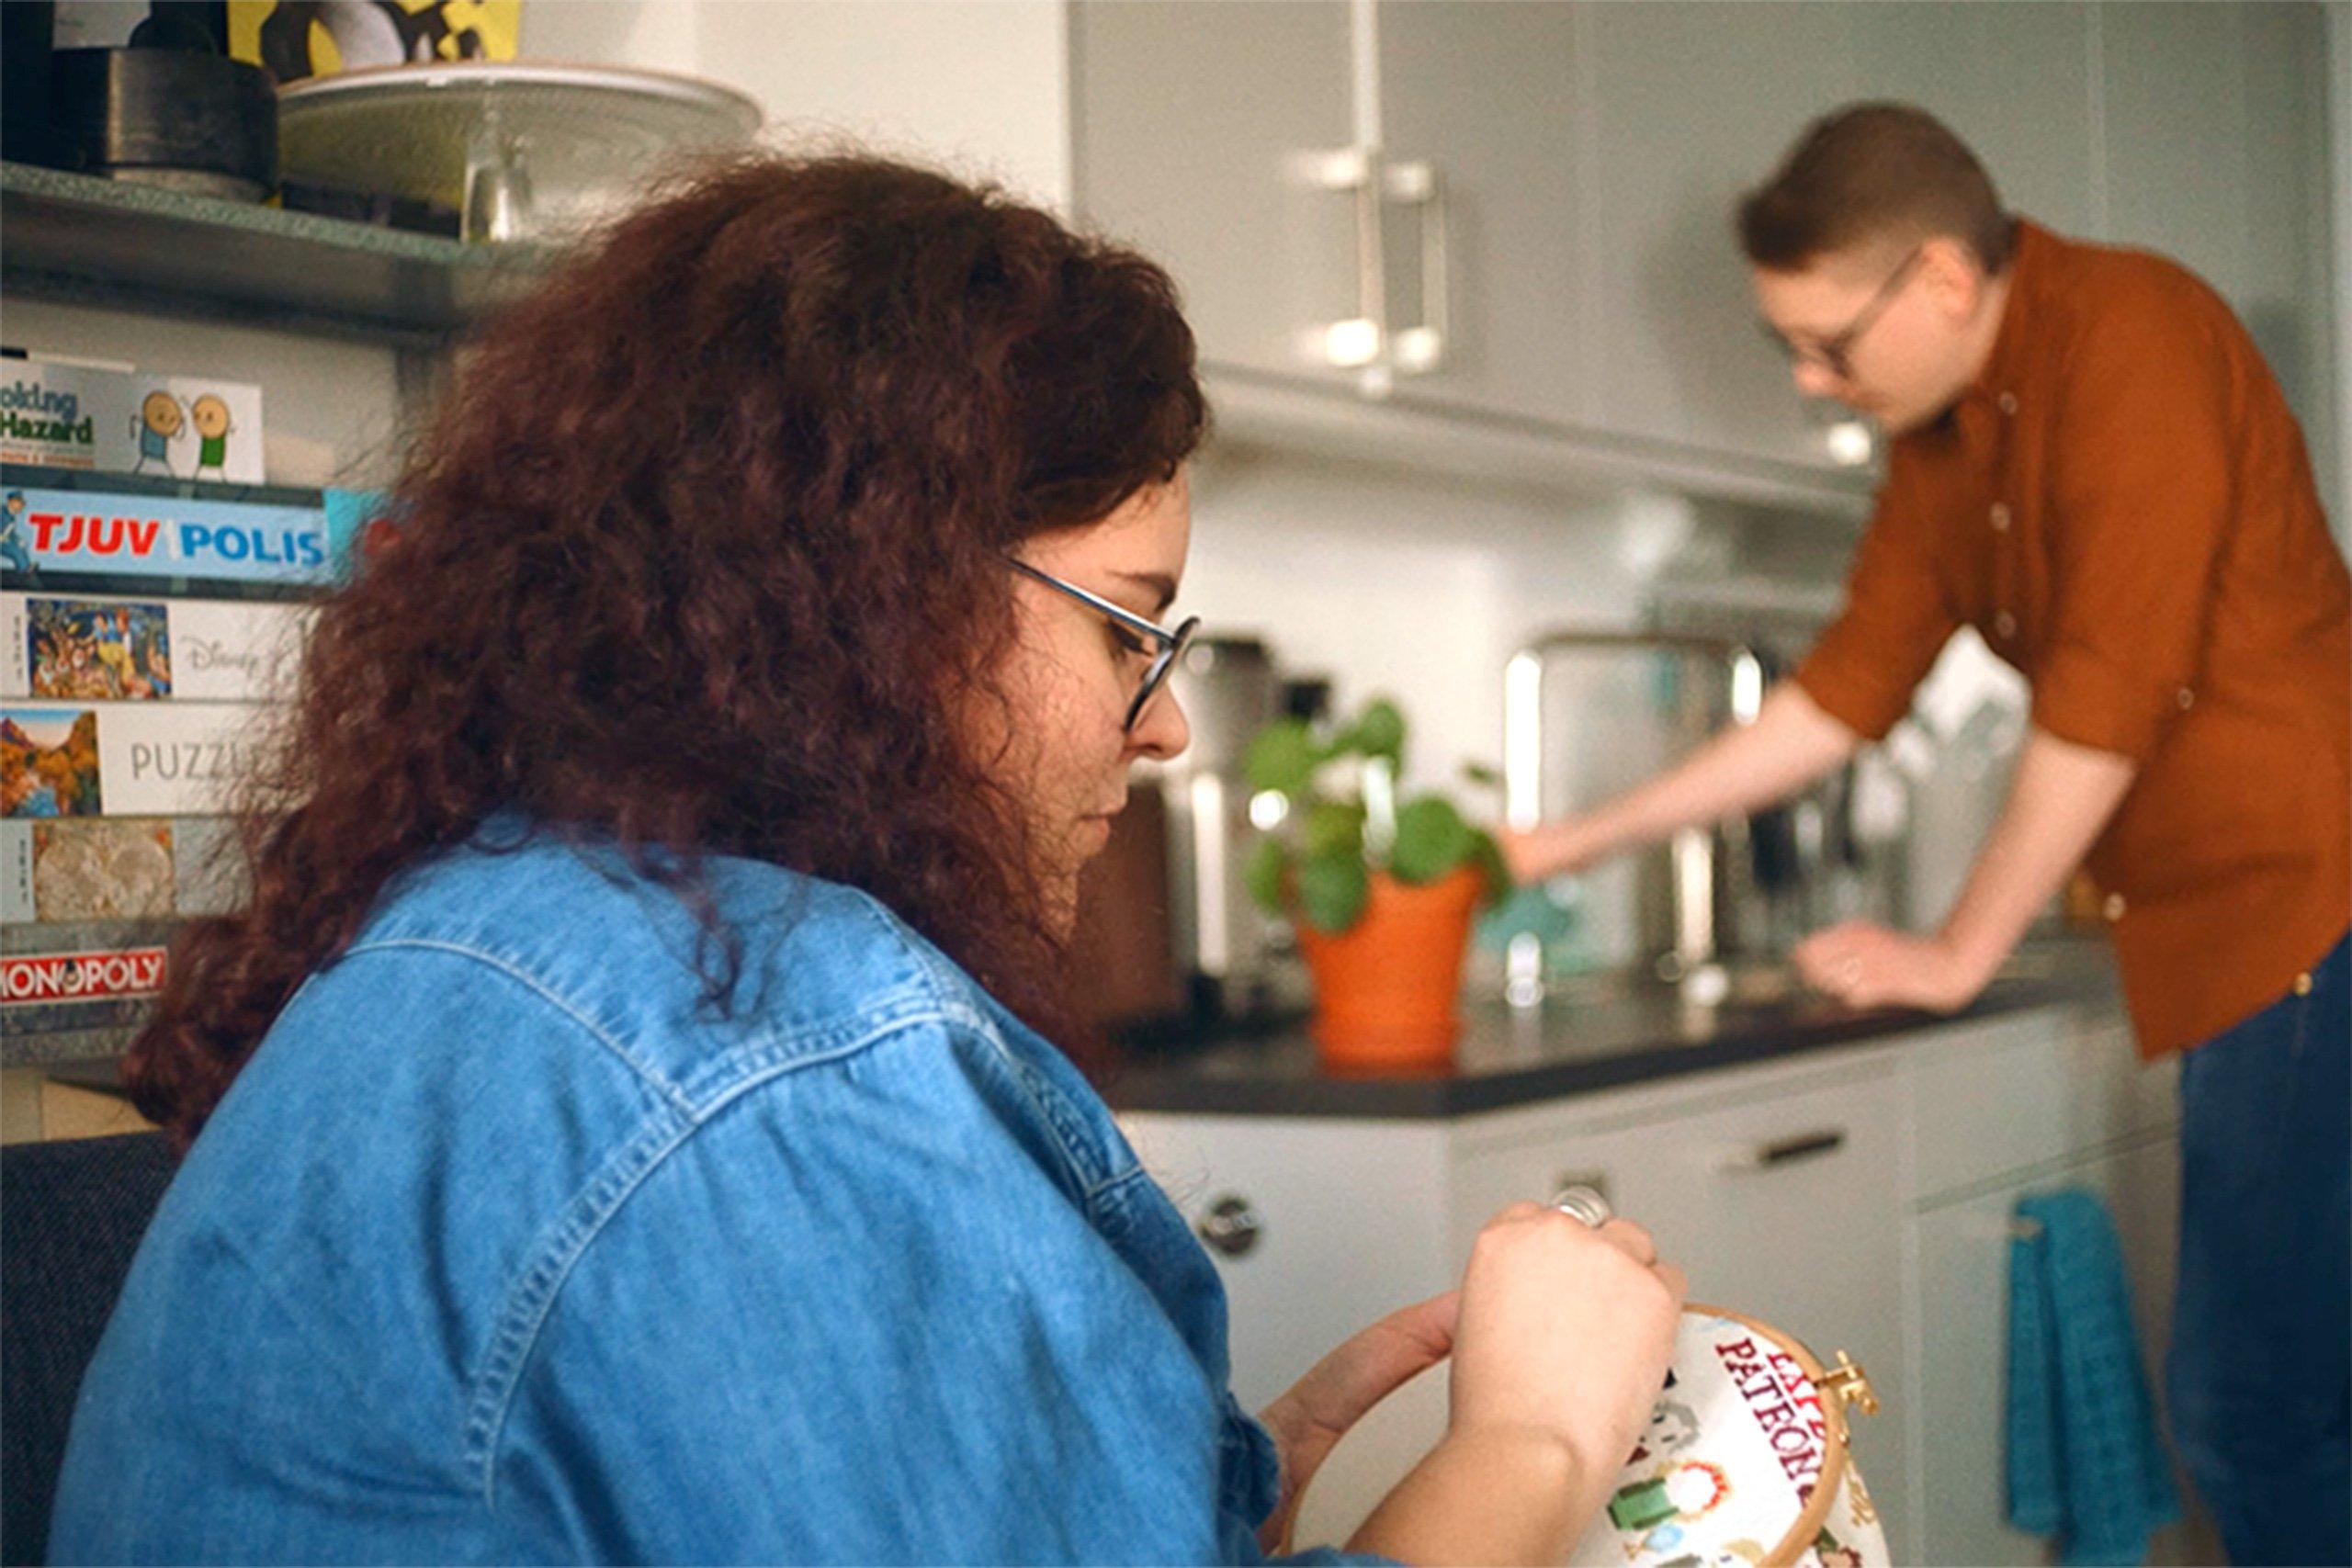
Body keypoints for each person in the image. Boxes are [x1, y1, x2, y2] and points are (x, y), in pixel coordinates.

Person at [49, 154, 1685, 1566]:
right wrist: (1534, 1445)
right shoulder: (769, 1055)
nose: (1167, 726)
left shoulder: (478, 933)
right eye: (1131, 628)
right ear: (882, 597)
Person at [1502, 103, 2349, 1566]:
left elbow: (2106, 696)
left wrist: (1960, 951)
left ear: (1944, 281)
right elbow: (1840, 694)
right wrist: (1564, 846)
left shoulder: (2135, 334)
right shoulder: (1943, 442)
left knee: (2250, 1400)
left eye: (1828, 343)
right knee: (2276, 1389)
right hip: (2234, 931)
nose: (1816, 382)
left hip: (2314, 896)